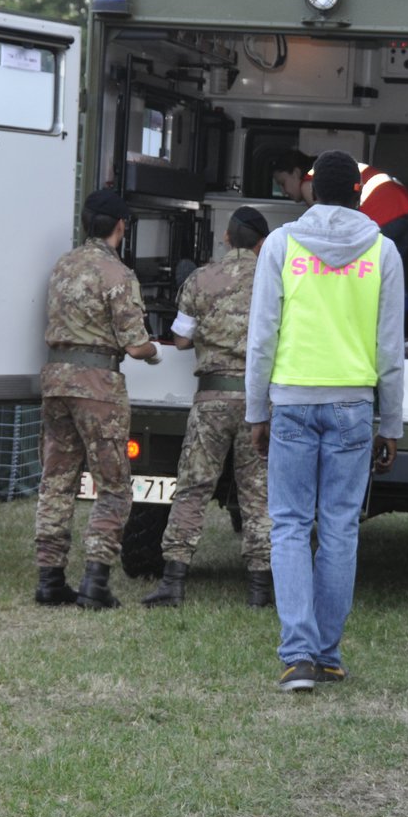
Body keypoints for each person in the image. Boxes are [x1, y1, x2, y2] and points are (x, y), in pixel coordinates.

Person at [247, 150, 405, 692]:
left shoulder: (280, 244)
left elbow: (262, 333)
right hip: (353, 407)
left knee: (289, 526)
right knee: (338, 528)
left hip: (291, 400)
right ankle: (328, 654)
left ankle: (297, 659)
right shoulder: (383, 252)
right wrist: (392, 422)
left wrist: (255, 408)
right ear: (360, 194)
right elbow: (390, 347)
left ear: (312, 192)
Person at [32, 188, 157, 611]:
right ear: (121, 226)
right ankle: (95, 580)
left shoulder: (62, 266)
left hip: (55, 382)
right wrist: (155, 353)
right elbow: (137, 345)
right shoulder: (116, 273)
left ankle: (49, 579)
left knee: (57, 481)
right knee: (114, 486)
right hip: (99, 389)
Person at [142, 206, 273, 609]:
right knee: (258, 494)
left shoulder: (201, 278)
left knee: (194, 489)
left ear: (227, 238)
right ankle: (259, 589)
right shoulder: (277, 278)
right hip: (258, 404)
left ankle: (173, 581)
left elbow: (181, 340)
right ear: (263, 243)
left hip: (211, 399)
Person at [270, 147, 408, 295]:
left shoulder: (309, 183)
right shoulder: (329, 172)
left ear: (296, 172)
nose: (283, 191)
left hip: (389, 217)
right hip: (407, 212)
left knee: (371, 281)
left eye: (283, 183)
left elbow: (327, 229)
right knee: (391, 277)